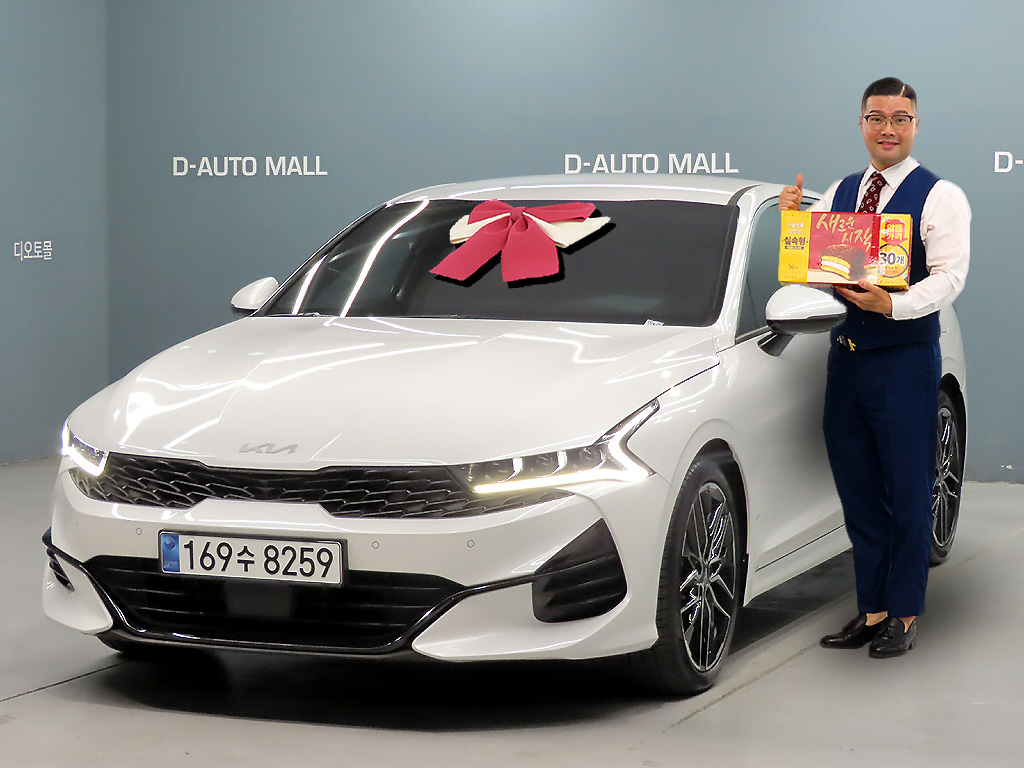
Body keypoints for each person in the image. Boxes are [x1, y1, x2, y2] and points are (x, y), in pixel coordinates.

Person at [779, 77, 970, 658]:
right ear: (862, 123)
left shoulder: (940, 196)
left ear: (915, 125)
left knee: (908, 491)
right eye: (877, 118)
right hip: (847, 361)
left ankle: (904, 613)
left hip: (905, 362)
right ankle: (873, 608)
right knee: (858, 491)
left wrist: (893, 304)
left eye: (900, 118)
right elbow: (809, 266)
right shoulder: (840, 191)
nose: (888, 129)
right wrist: (792, 223)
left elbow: (949, 278)